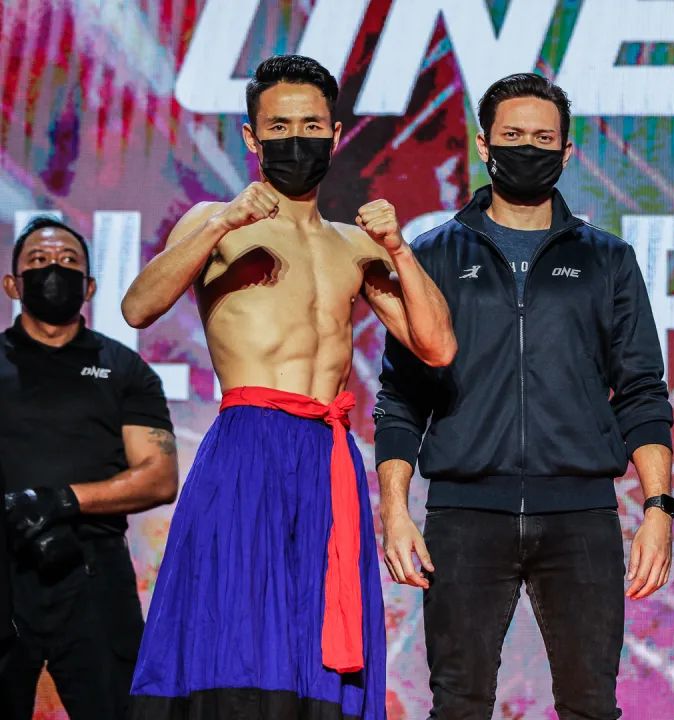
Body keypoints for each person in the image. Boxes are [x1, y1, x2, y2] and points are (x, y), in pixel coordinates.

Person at [121, 55, 456, 719]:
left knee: (314, 627)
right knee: (233, 625)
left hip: (326, 456)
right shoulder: (214, 219)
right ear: (252, 137)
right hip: (247, 442)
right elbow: (138, 307)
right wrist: (220, 226)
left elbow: (438, 346)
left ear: (335, 135)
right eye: (279, 126)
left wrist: (400, 249)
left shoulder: (355, 245)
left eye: (310, 126)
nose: (295, 139)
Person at [373, 73, 674, 720]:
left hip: (581, 516)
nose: (528, 149)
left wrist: (659, 507)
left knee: (591, 707)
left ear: (567, 152)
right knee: (458, 706)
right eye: (513, 136)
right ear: (485, 145)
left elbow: (642, 392)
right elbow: (400, 399)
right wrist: (394, 510)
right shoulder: (431, 256)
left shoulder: (608, 260)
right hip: (463, 515)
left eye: (543, 139)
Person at [0, 216, 178, 720]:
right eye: (38, 261)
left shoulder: (125, 369)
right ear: (12, 284)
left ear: (90, 285)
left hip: (93, 572)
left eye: (68, 261)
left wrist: (60, 500)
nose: (53, 270)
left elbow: (160, 477)